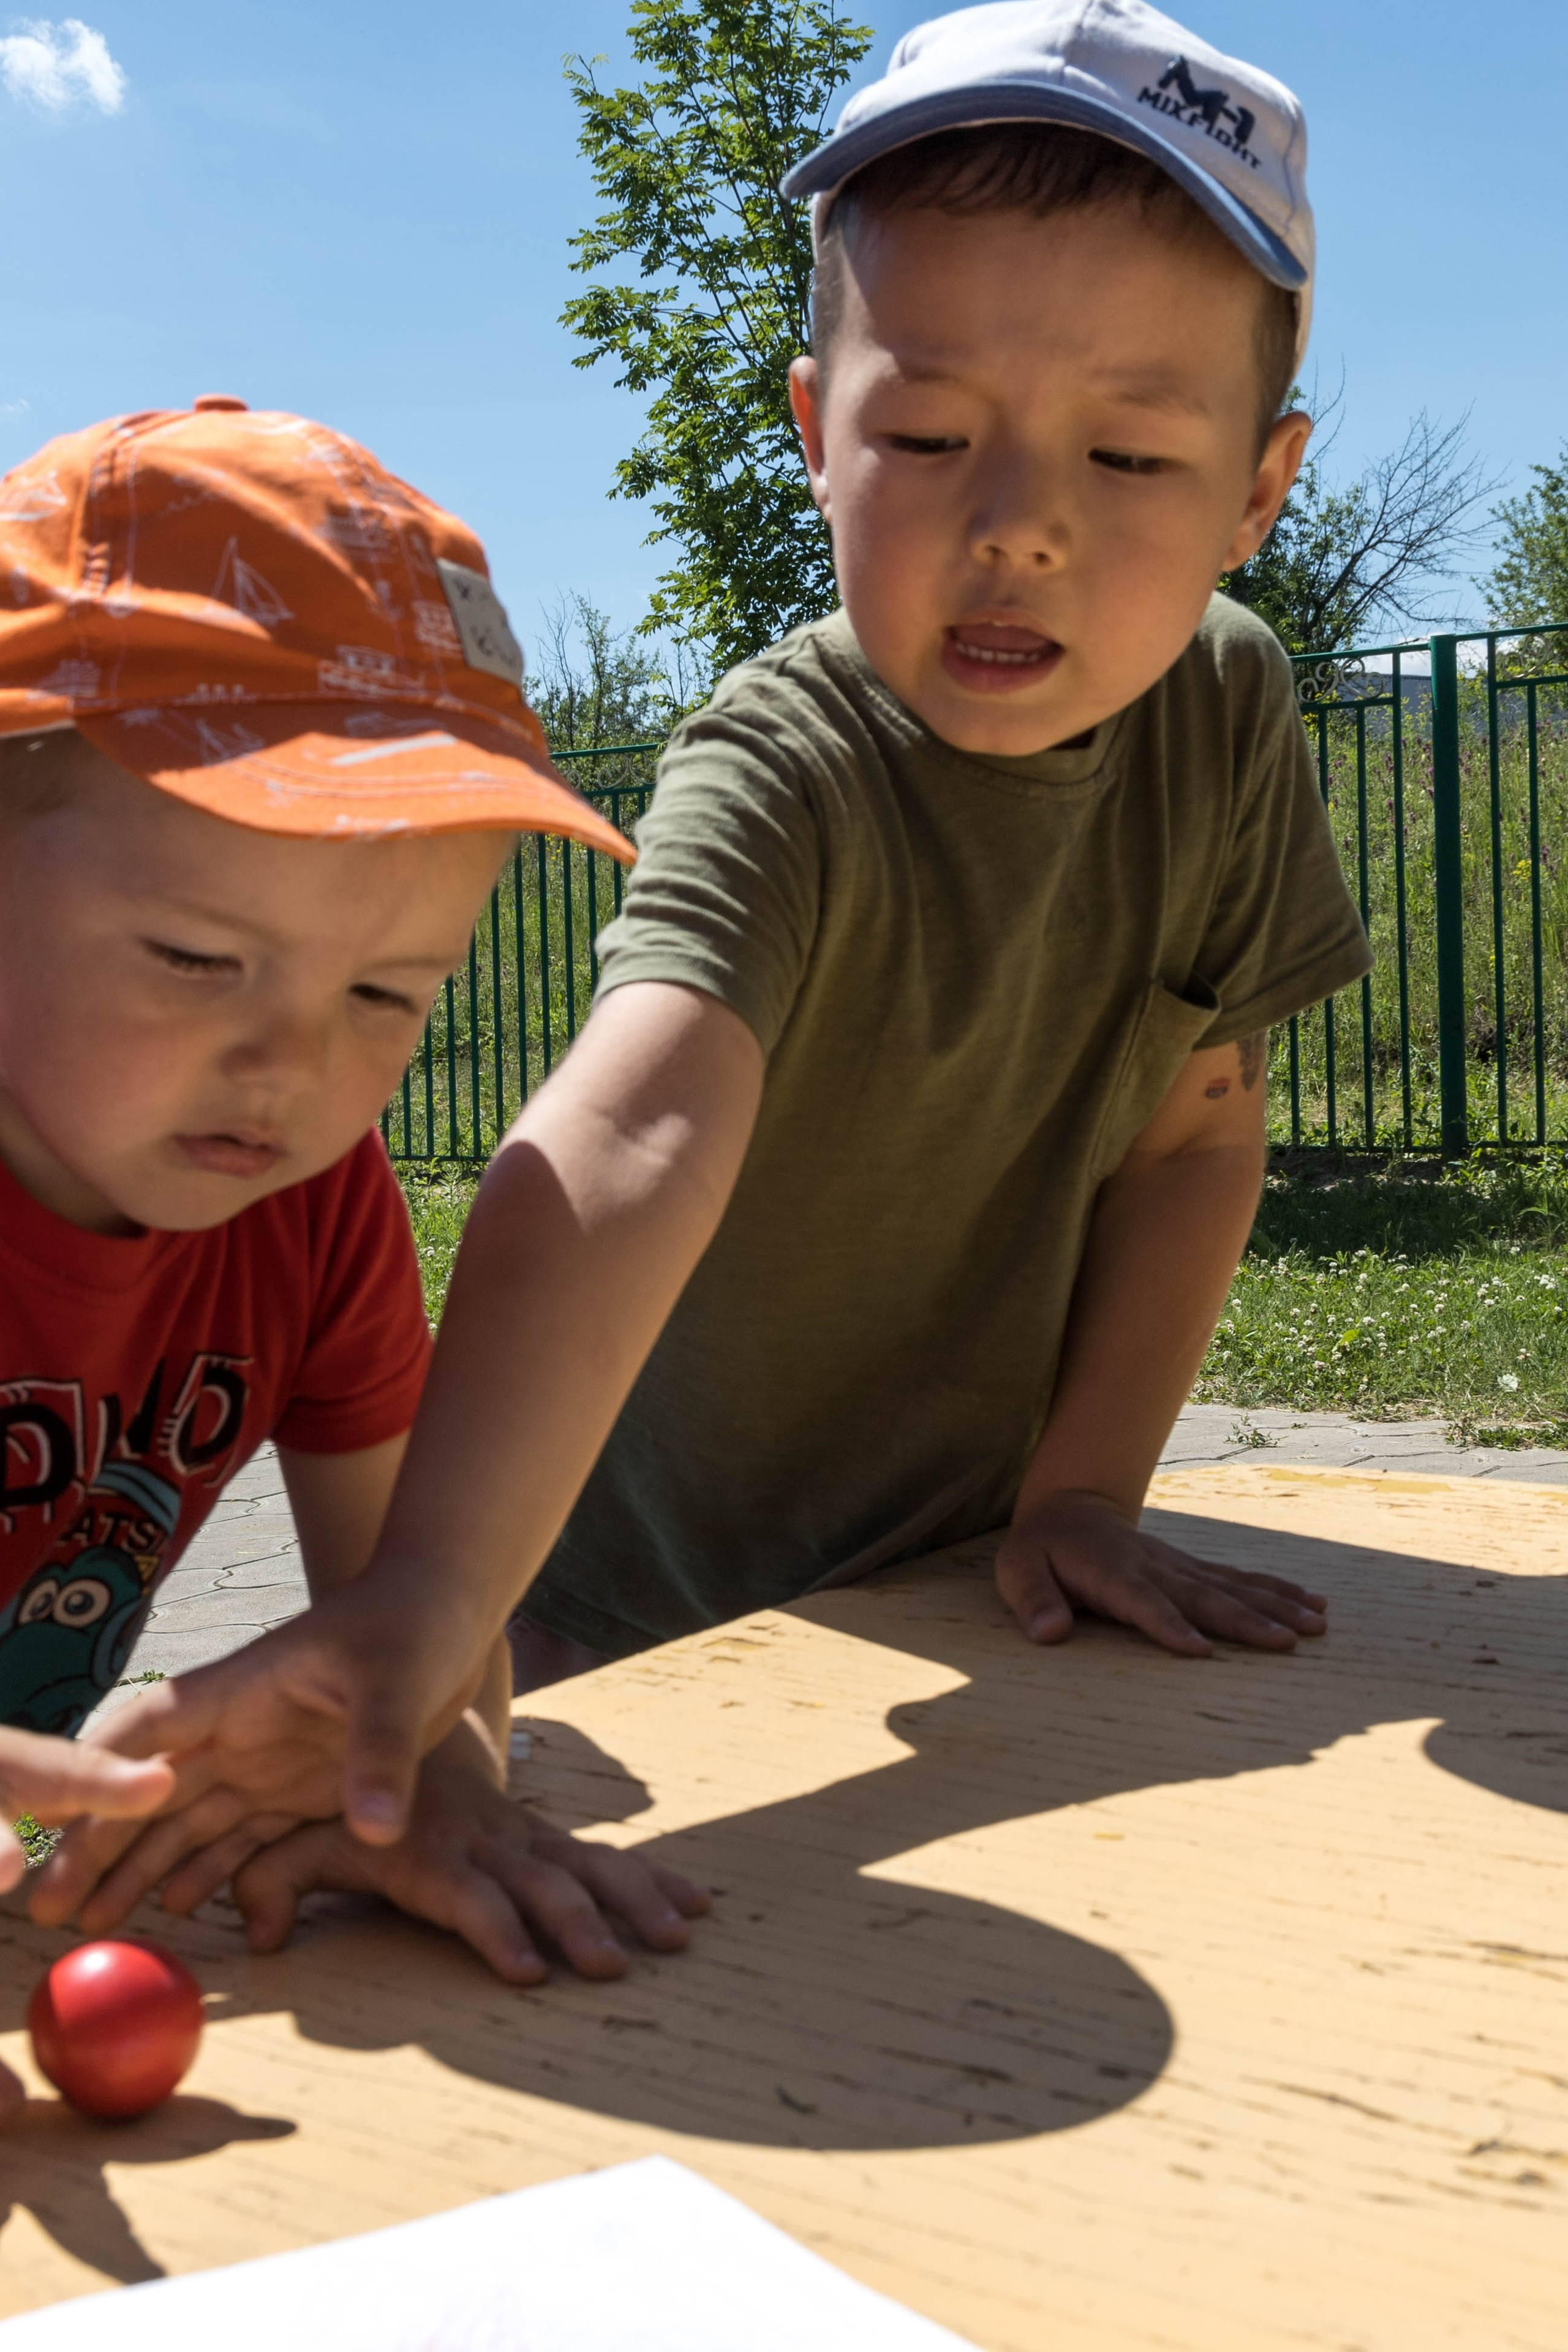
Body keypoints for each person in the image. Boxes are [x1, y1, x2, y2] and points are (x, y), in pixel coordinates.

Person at [52, 0, 1371, 1913]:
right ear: (816, 437)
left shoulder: (1228, 713)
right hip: (621, 1612)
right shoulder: (782, 762)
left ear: (1260, 486)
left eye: (1133, 457)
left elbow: (1192, 1131)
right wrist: (436, 1599)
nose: (1022, 528)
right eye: (929, 435)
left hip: (966, 1578)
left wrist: (1085, 1489)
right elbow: (629, 1134)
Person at [0, 398, 704, 1986]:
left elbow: (411, 1604)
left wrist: (429, 1778)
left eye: (387, 994)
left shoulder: (309, 1211)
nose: (295, 1068)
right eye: (199, 959)